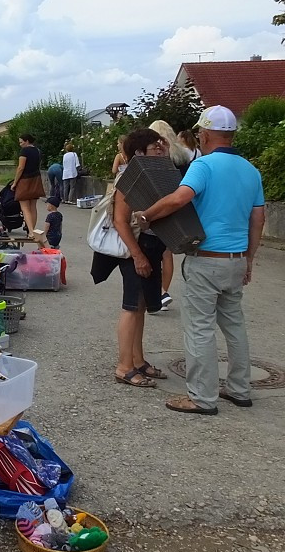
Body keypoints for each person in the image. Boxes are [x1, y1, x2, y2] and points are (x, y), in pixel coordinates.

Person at [136, 106, 266, 415]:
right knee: (234, 326)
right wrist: (249, 259)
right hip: (235, 260)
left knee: (199, 329)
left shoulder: (204, 166)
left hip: (206, 259)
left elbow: (180, 198)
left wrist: (148, 214)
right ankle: (239, 389)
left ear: (204, 134)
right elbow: (258, 219)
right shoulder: (251, 170)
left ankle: (202, 397)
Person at [98, 128, 171, 389]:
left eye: (162, 144)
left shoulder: (149, 174)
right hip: (134, 249)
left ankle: (138, 361)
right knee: (131, 306)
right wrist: (138, 255)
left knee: (139, 306)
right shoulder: (129, 178)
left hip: (146, 246)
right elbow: (120, 221)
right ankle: (124, 367)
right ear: (139, 153)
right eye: (155, 146)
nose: (161, 148)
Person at [148, 120, 193, 313]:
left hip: (157, 206)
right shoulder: (183, 158)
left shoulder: (154, 158)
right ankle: (163, 291)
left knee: (150, 251)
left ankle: (157, 291)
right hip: (177, 208)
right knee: (167, 253)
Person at [11, 133, 46, 232]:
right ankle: (33, 230)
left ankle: (30, 231)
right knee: (33, 206)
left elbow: (21, 167)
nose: (20, 144)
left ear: (27, 141)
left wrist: (15, 182)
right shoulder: (38, 151)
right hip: (36, 179)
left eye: (21, 142)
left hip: (25, 180)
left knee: (25, 207)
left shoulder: (24, 151)